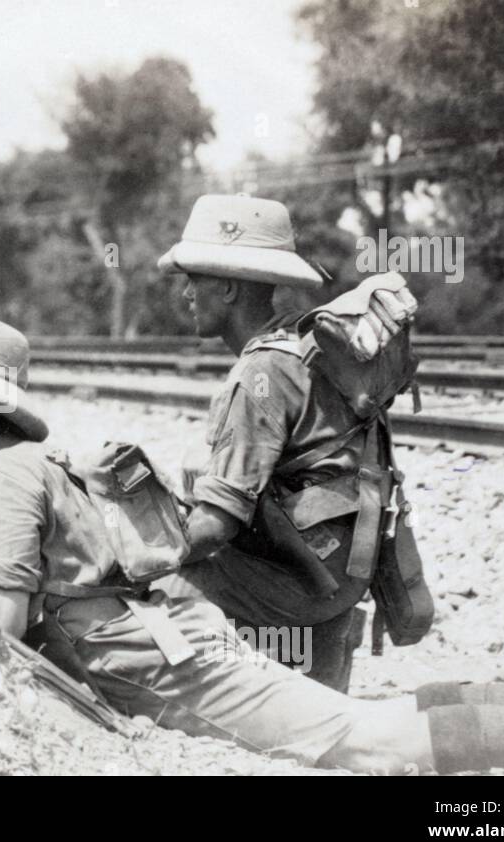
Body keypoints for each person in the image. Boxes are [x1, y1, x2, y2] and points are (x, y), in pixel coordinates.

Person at [0, 305, 504, 774]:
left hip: (151, 660)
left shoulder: (0, 475)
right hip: (166, 635)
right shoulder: (14, 463)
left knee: (370, 742)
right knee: (362, 719)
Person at [152, 194, 385, 693]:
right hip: (346, 571)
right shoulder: (309, 348)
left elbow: (213, 527)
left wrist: (137, 554)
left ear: (230, 289)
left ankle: (233, 691)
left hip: (302, 584)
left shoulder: (257, 373)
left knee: (148, 588)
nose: (187, 294)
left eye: (195, 280)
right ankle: (315, 653)